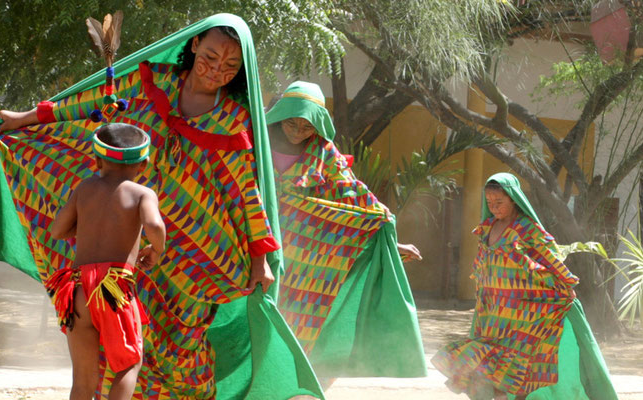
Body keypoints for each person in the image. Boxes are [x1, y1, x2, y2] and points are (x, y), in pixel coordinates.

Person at [0, 15, 322, 400]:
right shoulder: (149, 81)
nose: (216, 70)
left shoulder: (232, 121)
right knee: (125, 353)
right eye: (209, 56)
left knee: (178, 347)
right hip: (129, 256)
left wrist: (260, 256)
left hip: (191, 256)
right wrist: (27, 118)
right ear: (193, 44)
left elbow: (246, 193)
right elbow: (90, 105)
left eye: (230, 66)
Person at [264, 81, 427, 380]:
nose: (298, 131)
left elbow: (356, 194)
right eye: (292, 123)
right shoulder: (256, 141)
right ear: (280, 116)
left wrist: (391, 242)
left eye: (307, 127)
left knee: (296, 321)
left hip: (303, 258)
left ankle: (291, 383)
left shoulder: (324, 153)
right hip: (256, 243)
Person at [431, 172, 617, 400]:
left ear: (513, 199)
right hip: (495, 312)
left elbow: (549, 258)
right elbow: (482, 267)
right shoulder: (487, 228)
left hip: (526, 312)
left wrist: (566, 284)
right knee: (487, 360)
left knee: (520, 364)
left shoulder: (527, 229)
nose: (494, 208)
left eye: (499, 202)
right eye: (490, 203)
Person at [47, 123, 165, 400]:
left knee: (83, 381)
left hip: (76, 290)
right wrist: (155, 251)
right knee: (129, 365)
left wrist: (88, 224)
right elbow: (155, 226)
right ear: (144, 163)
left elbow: (57, 231)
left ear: (97, 160)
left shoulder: (85, 188)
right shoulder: (142, 193)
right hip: (113, 288)